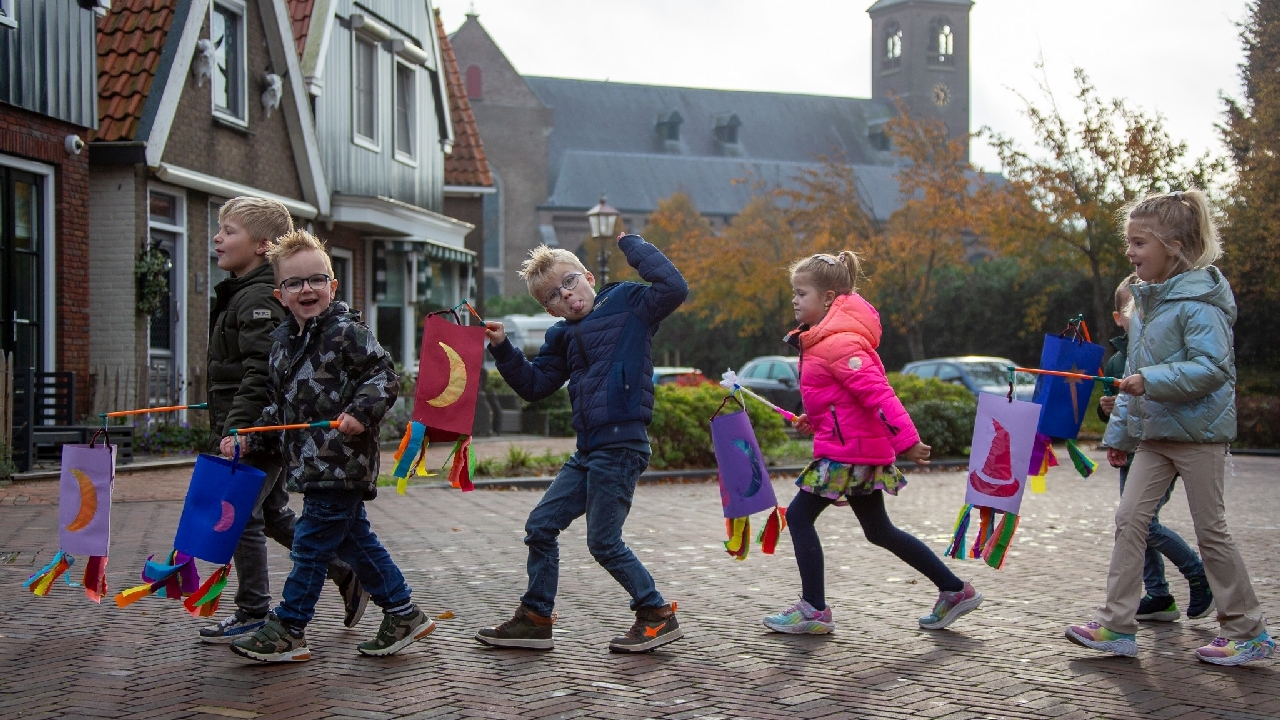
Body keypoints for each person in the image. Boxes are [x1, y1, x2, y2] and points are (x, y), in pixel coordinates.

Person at [1066, 189, 1273, 666]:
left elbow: (1213, 368)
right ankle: (1117, 626)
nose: (1131, 253)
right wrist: (1119, 437)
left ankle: (1249, 631)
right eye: (1129, 243)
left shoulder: (1199, 302)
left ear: (1174, 247)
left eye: (1140, 243)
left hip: (1200, 436)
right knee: (1129, 519)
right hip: (1155, 436)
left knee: (1211, 531)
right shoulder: (1146, 305)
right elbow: (1134, 377)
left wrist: (1149, 381)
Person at [220, 230, 432, 662]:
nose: (307, 290)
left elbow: (383, 377)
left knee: (310, 547)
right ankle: (403, 611)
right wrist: (247, 437)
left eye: (316, 280)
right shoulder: (281, 345)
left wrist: (361, 412)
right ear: (280, 294)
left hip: (343, 463)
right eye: (295, 283)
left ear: (332, 286)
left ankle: (289, 627)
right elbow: (281, 411)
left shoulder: (347, 333)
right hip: (308, 466)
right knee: (354, 542)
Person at [474, 234, 689, 653]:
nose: (567, 295)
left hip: (623, 445)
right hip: (589, 451)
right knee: (540, 526)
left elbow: (674, 288)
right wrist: (502, 349)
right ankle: (536, 619)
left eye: (570, 282)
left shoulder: (629, 303)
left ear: (589, 276)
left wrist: (633, 244)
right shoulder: (562, 336)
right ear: (548, 308)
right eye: (554, 295)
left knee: (603, 541)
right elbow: (535, 386)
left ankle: (656, 614)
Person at [763, 252, 982, 635]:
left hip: (849, 455)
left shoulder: (839, 343)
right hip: (852, 449)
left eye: (801, 293)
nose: (795, 301)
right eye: (793, 294)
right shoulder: (822, 341)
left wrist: (908, 442)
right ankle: (954, 590)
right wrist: (812, 422)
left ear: (829, 297)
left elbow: (879, 396)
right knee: (879, 530)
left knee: (798, 516)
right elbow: (838, 401)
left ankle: (813, 609)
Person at [199, 197, 366, 644]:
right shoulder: (244, 291)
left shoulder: (256, 296)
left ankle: (253, 610)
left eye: (229, 230)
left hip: (257, 431)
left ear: (262, 245)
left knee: (239, 516)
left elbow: (259, 371)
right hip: (252, 426)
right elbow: (237, 370)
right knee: (271, 515)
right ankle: (347, 572)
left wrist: (236, 429)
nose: (217, 238)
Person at [1098, 274, 1213, 624]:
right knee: (1134, 522)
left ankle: (1196, 571)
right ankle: (1159, 594)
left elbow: (1189, 381)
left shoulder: (1165, 342)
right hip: (1132, 448)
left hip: (1162, 444)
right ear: (1120, 316)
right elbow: (1115, 411)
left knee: (1143, 524)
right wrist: (1108, 417)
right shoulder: (1116, 361)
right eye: (1132, 310)